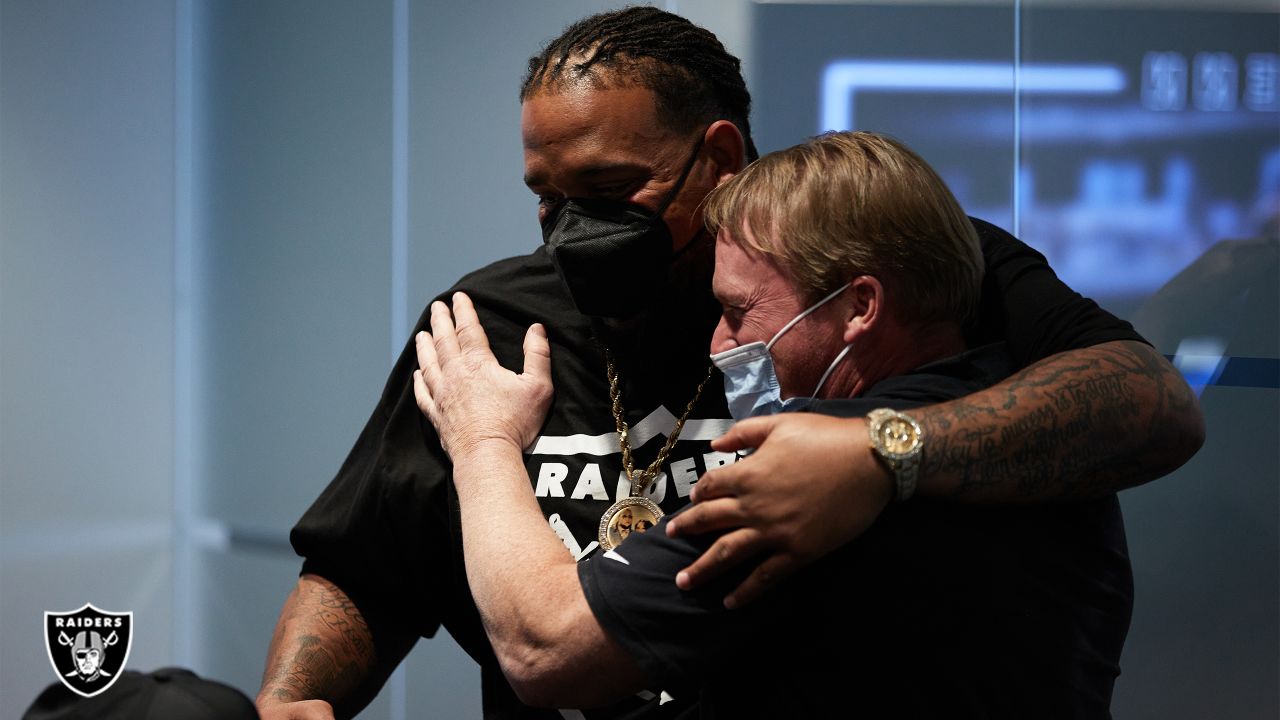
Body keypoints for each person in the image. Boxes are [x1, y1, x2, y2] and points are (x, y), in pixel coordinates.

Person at [257, 7, 1202, 719]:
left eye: (609, 188)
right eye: (547, 195)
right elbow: (368, 562)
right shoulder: (489, 327)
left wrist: (886, 454)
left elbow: (1150, 400)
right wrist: (293, 699)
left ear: (716, 154)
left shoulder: (884, 262)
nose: (570, 229)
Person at [413, 130, 1134, 716]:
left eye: (736, 313)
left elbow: (546, 650)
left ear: (860, 306)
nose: (718, 346)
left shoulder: (816, 477)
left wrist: (482, 440)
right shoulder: (1038, 435)